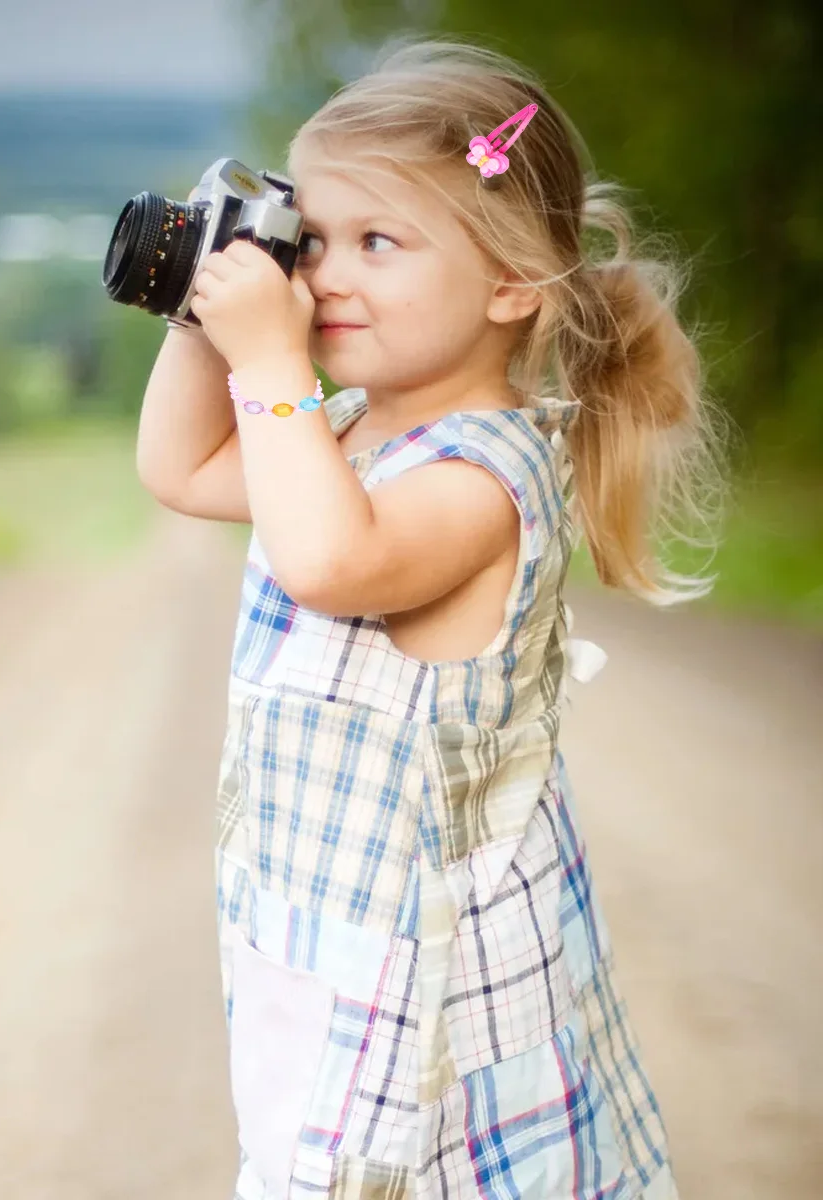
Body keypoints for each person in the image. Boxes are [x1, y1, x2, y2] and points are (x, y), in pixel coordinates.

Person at [135, 33, 725, 1200]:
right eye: (313, 241)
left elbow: (328, 560)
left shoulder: (485, 478)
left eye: (378, 243)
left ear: (511, 284)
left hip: (437, 997)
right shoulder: (347, 425)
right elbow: (184, 468)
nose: (323, 277)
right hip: (329, 944)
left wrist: (272, 355)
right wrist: (208, 317)